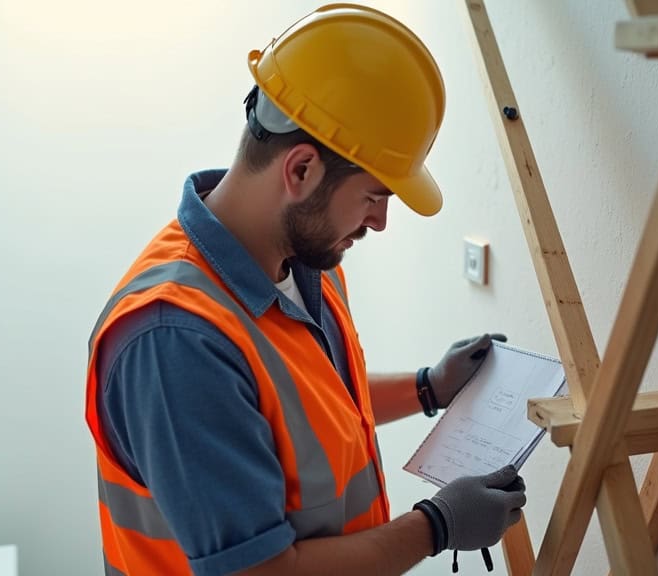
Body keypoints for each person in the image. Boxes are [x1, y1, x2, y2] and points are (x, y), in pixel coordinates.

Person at [85, 5, 527, 575]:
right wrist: (434, 526)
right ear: (300, 171)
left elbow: (304, 407)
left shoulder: (306, 263)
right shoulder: (174, 342)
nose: (380, 222)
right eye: (374, 196)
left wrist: (427, 388)